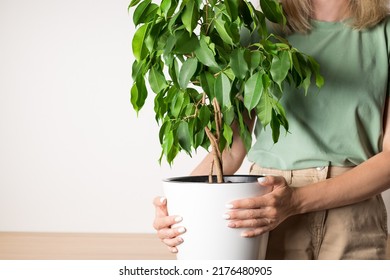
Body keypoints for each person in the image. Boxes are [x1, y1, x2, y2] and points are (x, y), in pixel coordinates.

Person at [153, 0, 390, 259]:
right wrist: (178, 208)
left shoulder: (385, 33)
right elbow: (230, 150)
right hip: (267, 208)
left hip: (352, 213)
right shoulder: (256, 28)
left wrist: (297, 200)